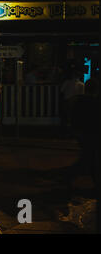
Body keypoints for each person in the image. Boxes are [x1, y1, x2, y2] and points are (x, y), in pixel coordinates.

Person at [69, 78, 100, 233]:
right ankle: (75, 177)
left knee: (88, 158)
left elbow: (74, 118)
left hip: (83, 134)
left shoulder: (80, 101)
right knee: (89, 159)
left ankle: (74, 177)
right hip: (91, 134)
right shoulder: (94, 103)